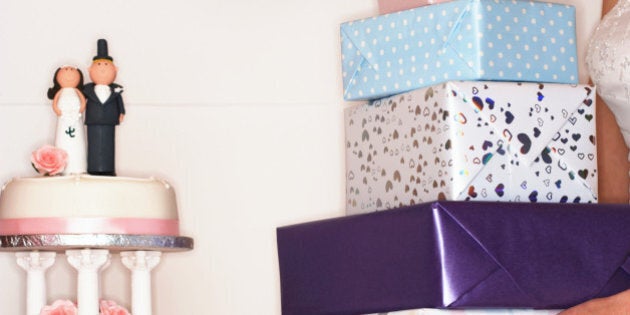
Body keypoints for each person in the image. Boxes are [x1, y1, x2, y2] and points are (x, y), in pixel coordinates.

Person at [82, 39, 125, 176]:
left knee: (108, 146)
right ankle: (93, 168)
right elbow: (81, 101)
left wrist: (122, 112)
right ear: (90, 70)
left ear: (115, 70)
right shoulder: (87, 90)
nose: (102, 68)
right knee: (93, 145)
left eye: (106, 65)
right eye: (99, 64)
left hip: (109, 120)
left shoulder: (116, 90)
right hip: (93, 121)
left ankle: (108, 168)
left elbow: (119, 102)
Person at [47, 65, 87, 174]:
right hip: (63, 119)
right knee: (63, 140)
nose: (69, 74)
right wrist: (58, 111)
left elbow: (83, 102)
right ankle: (62, 168)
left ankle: (78, 167)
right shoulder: (60, 92)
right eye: (65, 71)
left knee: (77, 142)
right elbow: (55, 103)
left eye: (72, 71)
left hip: (76, 119)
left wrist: (80, 109)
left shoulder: (77, 91)